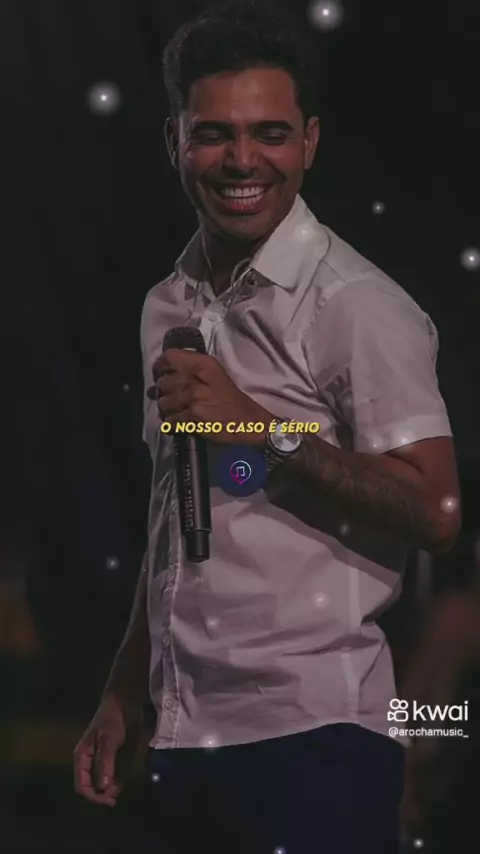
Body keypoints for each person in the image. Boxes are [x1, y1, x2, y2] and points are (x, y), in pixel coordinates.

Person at [73, 1, 462, 851]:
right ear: (174, 140)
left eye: (270, 134)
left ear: (309, 142)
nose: (242, 160)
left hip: (316, 738)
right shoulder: (166, 305)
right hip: (182, 735)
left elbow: (437, 513)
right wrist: (128, 687)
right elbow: (173, 515)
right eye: (214, 133)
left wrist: (261, 430)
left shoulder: (357, 306)